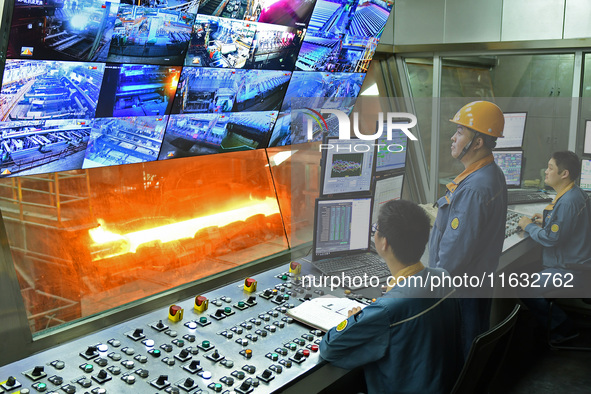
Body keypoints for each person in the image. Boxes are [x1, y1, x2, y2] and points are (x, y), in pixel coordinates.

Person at [319, 200, 463, 394]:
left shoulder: (386, 309)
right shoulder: (443, 277)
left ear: (383, 242)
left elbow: (330, 347)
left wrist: (354, 320)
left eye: (376, 228)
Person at [429, 101, 508, 357]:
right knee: (471, 351)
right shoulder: (490, 173)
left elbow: (453, 257)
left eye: (461, 132)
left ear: (477, 143)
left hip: (459, 292)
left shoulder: (474, 188)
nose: (453, 137)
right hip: (475, 286)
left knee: (460, 356)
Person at [518, 151, 591, 343]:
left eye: (550, 168)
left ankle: (563, 328)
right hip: (574, 263)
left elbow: (551, 239)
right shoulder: (575, 193)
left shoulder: (567, 202)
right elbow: (567, 226)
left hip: (570, 270)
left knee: (523, 286)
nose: (546, 172)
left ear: (564, 174)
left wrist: (529, 226)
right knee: (518, 275)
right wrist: (548, 221)